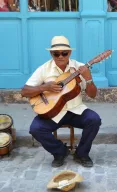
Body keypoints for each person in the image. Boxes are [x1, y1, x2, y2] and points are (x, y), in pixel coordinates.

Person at [21, 36, 101, 167]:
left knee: (94, 120)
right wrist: (44, 87)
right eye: (56, 53)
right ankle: (60, 152)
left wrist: (89, 78)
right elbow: (24, 91)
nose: (60, 56)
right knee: (35, 129)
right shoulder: (44, 69)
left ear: (70, 52)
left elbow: (93, 95)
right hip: (53, 112)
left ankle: (82, 154)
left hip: (75, 110)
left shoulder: (80, 68)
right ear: (50, 53)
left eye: (64, 53)